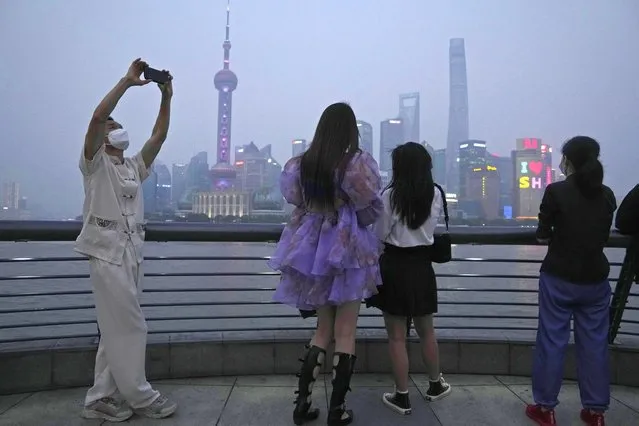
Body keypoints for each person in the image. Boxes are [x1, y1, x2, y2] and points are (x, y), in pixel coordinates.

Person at [75, 58, 177, 422]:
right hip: (106, 254)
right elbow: (96, 118)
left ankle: (98, 399)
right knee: (131, 325)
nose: (118, 128)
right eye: (113, 126)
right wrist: (126, 82)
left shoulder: (132, 166)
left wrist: (166, 97)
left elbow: (158, 137)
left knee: (115, 327)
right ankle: (141, 396)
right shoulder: (94, 163)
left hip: (133, 254)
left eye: (118, 125)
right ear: (103, 137)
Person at [268, 102, 383, 426]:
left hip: (312, 250)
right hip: (348, 252)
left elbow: (295, 198)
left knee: (322, 330)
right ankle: (337, 410)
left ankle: (302, 406)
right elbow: (372, 207)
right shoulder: (355, 164)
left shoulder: (302, 164)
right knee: (345, 332)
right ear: (350, 130)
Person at [526, 136, 617, 426]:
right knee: (594, 344)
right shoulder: (607, 196)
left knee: (552, 340)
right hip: (595, 280)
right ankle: (595, 411)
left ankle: (545, 408)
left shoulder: (556, 191)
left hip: (559, 278)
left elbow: (542, 234)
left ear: (569, 161)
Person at [366, 142, 451, 416]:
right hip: (423, 266)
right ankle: (435, 385)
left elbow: (379, 234)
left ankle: (402, 396)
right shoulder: (436, 193)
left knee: (397, 337)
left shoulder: (390, 196)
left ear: (399, 167)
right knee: (427, 330)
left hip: (394, 266)